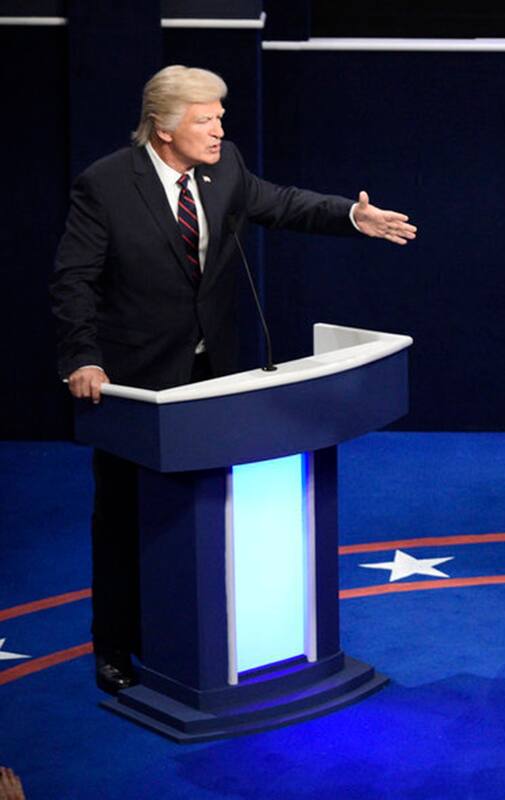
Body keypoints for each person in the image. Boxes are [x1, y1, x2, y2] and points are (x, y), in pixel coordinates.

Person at [49, 65, 417, 696]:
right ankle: (115, 646)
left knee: (209, 505)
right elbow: (73, 280)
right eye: (205, 118)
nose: (220, 128)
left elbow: (284, 203)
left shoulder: (225, 169)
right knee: (122, 515)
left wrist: (352, 219)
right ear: (164, 130)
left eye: (221, 116)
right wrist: (83, 357)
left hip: (214, 372)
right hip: (134, 382)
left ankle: (208, 633)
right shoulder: (106, 184)